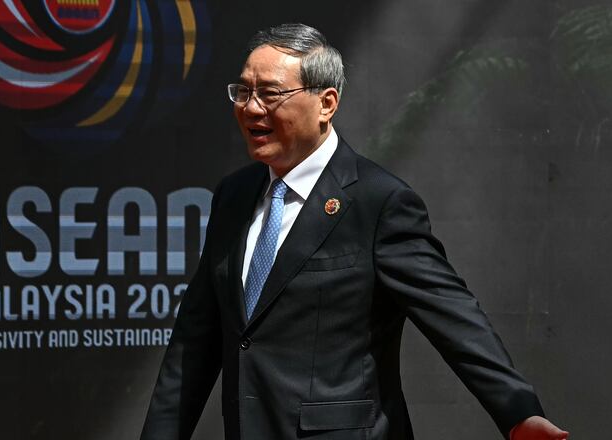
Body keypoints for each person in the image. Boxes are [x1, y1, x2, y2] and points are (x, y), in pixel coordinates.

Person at [140, 23, 569, 440]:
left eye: (270, 94)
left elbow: (454, 317)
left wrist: (518, 412)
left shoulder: (378, 202)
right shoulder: (233, 197)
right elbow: (194, 343)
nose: (251, 108)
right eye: (243, 92)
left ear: (326, 103)